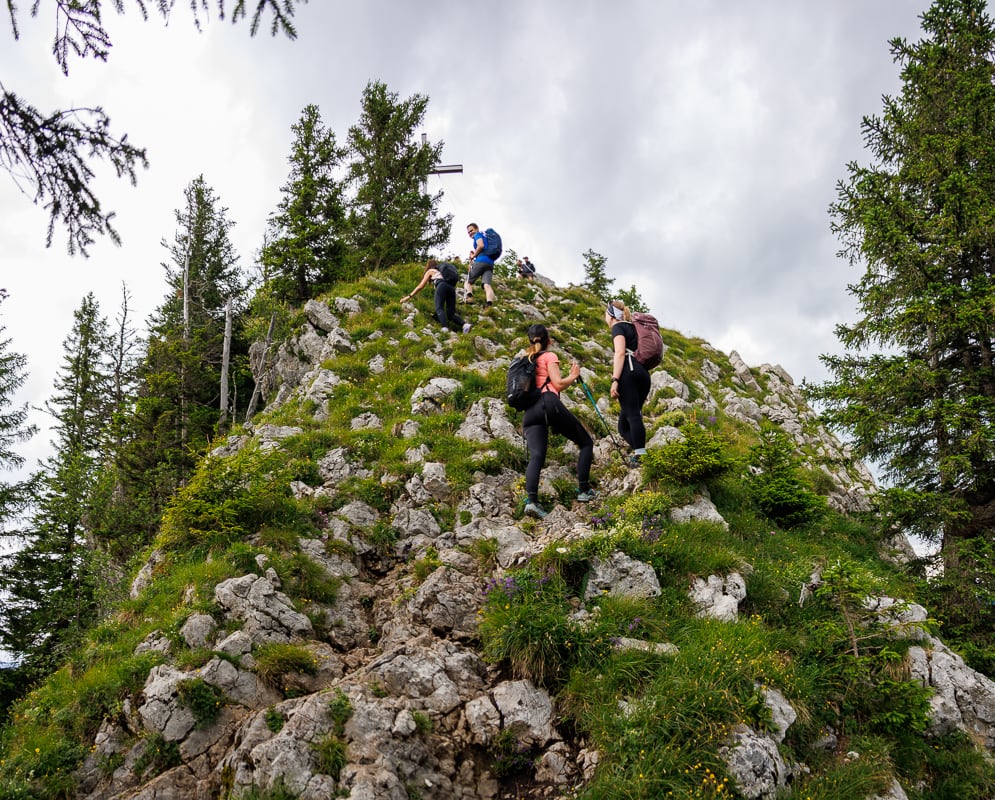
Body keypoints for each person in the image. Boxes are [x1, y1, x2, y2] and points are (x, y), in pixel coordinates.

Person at [520, 323, 596, 519]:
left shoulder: (525, 359)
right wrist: (573, 375)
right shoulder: (549, 356)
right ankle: (584, 490)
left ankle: (532, 501)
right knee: (586, 443)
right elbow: (558, 384)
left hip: (530, 412)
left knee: (537, 456)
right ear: (549, 340)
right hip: (548, 403)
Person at [605, 299, 651, 463]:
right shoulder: (633, 327)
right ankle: (643, 453)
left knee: (632, 415)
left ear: (611, 315)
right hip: (643, 374)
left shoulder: (618, 327)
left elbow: (619, 353)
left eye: (606, 313)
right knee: (623, 426)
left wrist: (615, 379)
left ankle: (641, 455)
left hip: (629, 372)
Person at [401, 259, 472, 334]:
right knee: (451, 313)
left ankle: (444, 329)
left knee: (439, 307)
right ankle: (465, 325)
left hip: (442, 286)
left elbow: (420, 286)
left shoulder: (430, 271)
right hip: (451, 288)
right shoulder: (442, 272)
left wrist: (408, 296)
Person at [464, 222, 496, 308]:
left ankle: (469, 298)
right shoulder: (486, 237)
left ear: (477, 229)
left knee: (468, 281)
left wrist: (473, 256)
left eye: (471, 230)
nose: (470, 233)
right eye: (468, 232)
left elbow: (480, 245)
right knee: (487, 285)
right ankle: (489, 305)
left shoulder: (477, 235)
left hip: (481, 261)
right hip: (490, 263)